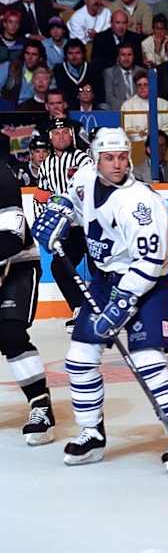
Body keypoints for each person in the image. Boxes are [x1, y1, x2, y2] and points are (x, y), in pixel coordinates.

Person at [31, 127, 168, 472]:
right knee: (80, 356)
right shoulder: (84, 177)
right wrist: (59, 215)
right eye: (109, 158)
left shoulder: (142, 203)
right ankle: (92, 434)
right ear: (96, 159)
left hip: (147, 286)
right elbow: (72, 201)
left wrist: (123, 303)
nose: (116, 164)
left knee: (147, 362)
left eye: (122, 157)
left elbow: (152, 262)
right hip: (104, 279)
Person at [0, 160, 55, 446]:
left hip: (18, 265)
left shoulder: (3, 177)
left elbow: (13, 238)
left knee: (9, 334)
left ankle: (41, 405)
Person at [34, 117, 95, 328]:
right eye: (56, 134)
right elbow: (41, 198)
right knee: (59, 268)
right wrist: (46, 227)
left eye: (65, 132)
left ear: (72, 135)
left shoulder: (84, 159)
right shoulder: (46, 166)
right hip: (66, 229)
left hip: (89, 226)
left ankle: (110, 309)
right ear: (50, 138)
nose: (61, 136)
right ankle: (80, 307)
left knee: (100, 268)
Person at [121, 69, 168, 141]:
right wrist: (145, 139)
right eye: (139, 85)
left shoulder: (164, 104)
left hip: (160, 144)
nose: (142, 87)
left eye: (145, 84)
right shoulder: (127, 106)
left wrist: (155, 138)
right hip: (136, 145)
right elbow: (127, 130)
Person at [91, 9, 143, 73]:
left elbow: (139, 61)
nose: (121, 27)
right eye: (117, 22)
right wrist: (116, 62)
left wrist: (127, 62)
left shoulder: (135, 38)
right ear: (111, 23)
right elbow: (96, 63)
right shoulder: (100, 38)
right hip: (107, 75)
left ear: (127, 24)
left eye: (124, 23)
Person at [103, 42, 144, 111]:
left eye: (129, 55)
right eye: (123, 55)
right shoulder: (109, 73)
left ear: (133, 56)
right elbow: (110, 98)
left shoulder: (142, 72)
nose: (126, 58)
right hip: (119, 111)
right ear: (118, 57)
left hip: (140, 111)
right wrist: (128, 108)